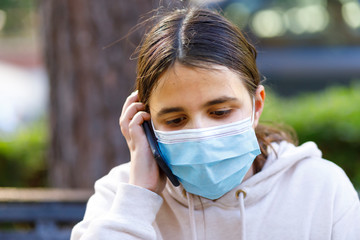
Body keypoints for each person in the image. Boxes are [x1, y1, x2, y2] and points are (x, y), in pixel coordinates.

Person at [71, 8, 360, 240]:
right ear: (145, 123)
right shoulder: (119, 197)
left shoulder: (321, 188)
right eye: (175, 119)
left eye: (220, 112)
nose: (201, 133)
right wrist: (139, 199)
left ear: (256, 105)